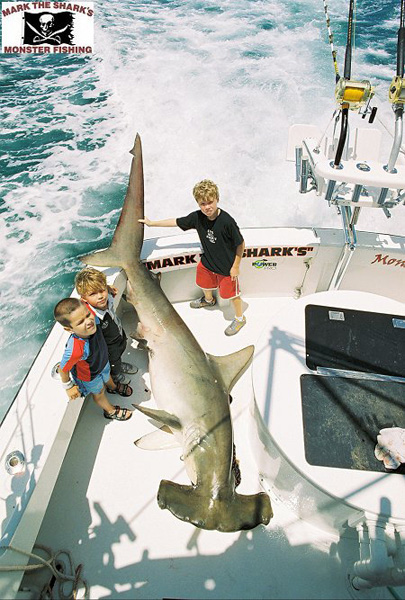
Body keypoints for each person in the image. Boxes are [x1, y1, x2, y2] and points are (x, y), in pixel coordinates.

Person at [139, 179, 246, 336]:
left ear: (217, 199)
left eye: (210, 202)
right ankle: (209, 300)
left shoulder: (227, 222)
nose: (207, 207)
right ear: (198, 203)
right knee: (203, 283)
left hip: (226, 268)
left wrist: (235, 266)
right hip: (208, 263)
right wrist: (152, 223)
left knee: (231, 296)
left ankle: (240, 318)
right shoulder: (197, 218)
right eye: (203, 204)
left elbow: (241, 244)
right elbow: (176, 221)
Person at [54, 297, 133, 421]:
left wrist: (106, 288)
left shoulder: (93, 318)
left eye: (87, 314)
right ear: (69, 329)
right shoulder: (75, 349)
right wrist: (68, 386)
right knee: (100, 392)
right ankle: (110, 411)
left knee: (108, 376)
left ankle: (113, 387)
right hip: (90, 376)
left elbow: (87, 301)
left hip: (103, 362)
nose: (89, 321)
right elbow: (63, 369)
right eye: (80, 322)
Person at [75, 267, 138, 385]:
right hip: (108, 346)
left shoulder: (107, 295)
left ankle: (118, 364)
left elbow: (102, 291)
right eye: (93, 294)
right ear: (84, 299)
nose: (100, 296)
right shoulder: (90, 317)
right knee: (113, 360)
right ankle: (116, 374)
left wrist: (107, 288)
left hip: (118, 333)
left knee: (122, 348)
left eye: (101, 290)